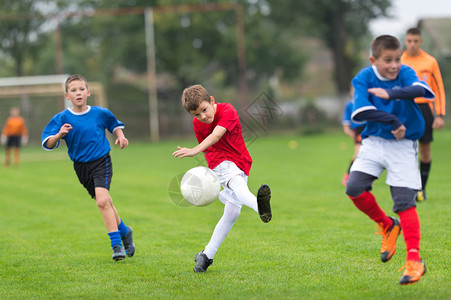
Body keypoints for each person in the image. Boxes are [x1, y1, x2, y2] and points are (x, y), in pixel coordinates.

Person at [345, 35, 434, 285]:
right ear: (374, 60)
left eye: (397, 59)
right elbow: (361, 112)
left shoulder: (405, 73)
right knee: (353, 188)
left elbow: (424, 91)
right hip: (373, 142)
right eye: (388, 61)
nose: (394, 65)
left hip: (403, 146)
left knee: (404, 201)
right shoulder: (363, 78)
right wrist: (394, 121)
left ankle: (414, 261)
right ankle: (387, 225)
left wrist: (391, 93)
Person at [172, 84, 272, 273]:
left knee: (232, 213)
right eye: (196, 115)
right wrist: (200, 152)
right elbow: (212, 146)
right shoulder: (198, 123)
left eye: (204, 110)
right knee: (236, 183)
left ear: (211, 101)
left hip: (240, 160)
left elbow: (217, 135)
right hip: (219, 162)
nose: (203, 117)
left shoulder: (228, 110)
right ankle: (260, 207)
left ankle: (206, 255)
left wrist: (194, 150)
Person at [41, 74, 135, 261]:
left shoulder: (100, 113)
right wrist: (59, 135)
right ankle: (125, 231)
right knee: (105, 201)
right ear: (67, 96)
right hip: (81, 167)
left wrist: (121, 136)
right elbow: (48, 143)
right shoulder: (61, 118)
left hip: (102, 161)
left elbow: (114, 124)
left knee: (102, 201)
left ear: (88, 92)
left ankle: (116, 245)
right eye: (73, 90)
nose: (78, 93)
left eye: (81, 89)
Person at [401, 27, 446, 202]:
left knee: (424, 150)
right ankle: (408, 188)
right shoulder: (399, 61)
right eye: (409, 41)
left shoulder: (430, 61)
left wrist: (440, 114)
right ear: (405, 41)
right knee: (404, 149)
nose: (412, 44)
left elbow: (439, 89)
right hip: (405, 108)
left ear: (420, 42)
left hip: (425, 109)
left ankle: (422, 189)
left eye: (416, 41)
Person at [342, 85, 365, 186]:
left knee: (370, 154)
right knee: (358, 153)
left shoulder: (366, 102)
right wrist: (349, 131)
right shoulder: (349, 105)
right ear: (350, 92)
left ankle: (366, 178)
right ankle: (348, 175)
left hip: (369, 129)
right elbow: (346, 122)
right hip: (358, 130)